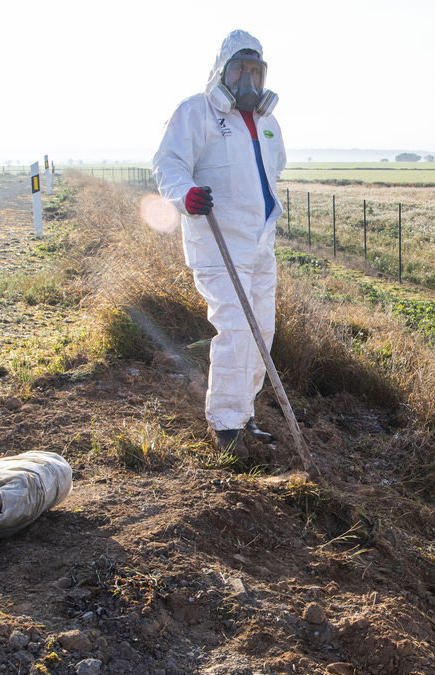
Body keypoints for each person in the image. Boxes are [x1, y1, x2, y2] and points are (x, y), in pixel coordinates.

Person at [153, 30, 287, 451]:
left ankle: (244, 414)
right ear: (221, 72)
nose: (248, 79)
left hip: (260, 243)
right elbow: (168, 164)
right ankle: (226, 427)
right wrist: (185, 195)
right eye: (239, 69)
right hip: (219, 243)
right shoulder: (196, 113)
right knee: (235, 329)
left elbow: (274, 171)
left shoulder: (268, 123)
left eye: (255, 70)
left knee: (261, 332)